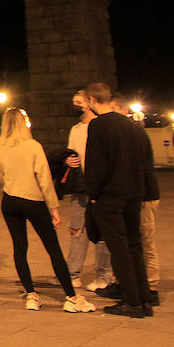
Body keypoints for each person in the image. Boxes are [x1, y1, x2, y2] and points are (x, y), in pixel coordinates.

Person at [0, 108, 95, 313]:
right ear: (24, 123)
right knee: (52, 249)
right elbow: (44, 179)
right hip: (33, 200)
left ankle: (31, 294)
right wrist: (53, 208)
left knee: (19, 248)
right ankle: (71, 297)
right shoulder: (33, 146)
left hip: (10, 200)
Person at [83, 82, 159, 318]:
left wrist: (93, 194)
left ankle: (131, 302)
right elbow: (146, 161)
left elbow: (97, 163)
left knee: (119, 249)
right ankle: (144, 298)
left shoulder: (98, 126)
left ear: (92, 100)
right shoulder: (133, 126)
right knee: (135, 245)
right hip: (134, 195)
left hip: (110, 197)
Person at [64, 90, 112, 292]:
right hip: (80, 186)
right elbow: (70, 151)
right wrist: (67, 160)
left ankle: (104, 274)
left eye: (78, 102)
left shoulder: (100, 126)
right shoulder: (75, 128)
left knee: (101, 231)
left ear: (89, 102)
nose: (75, 106)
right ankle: (72, 274)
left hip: (99, 186)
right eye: (73, 102)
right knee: (77, 230)